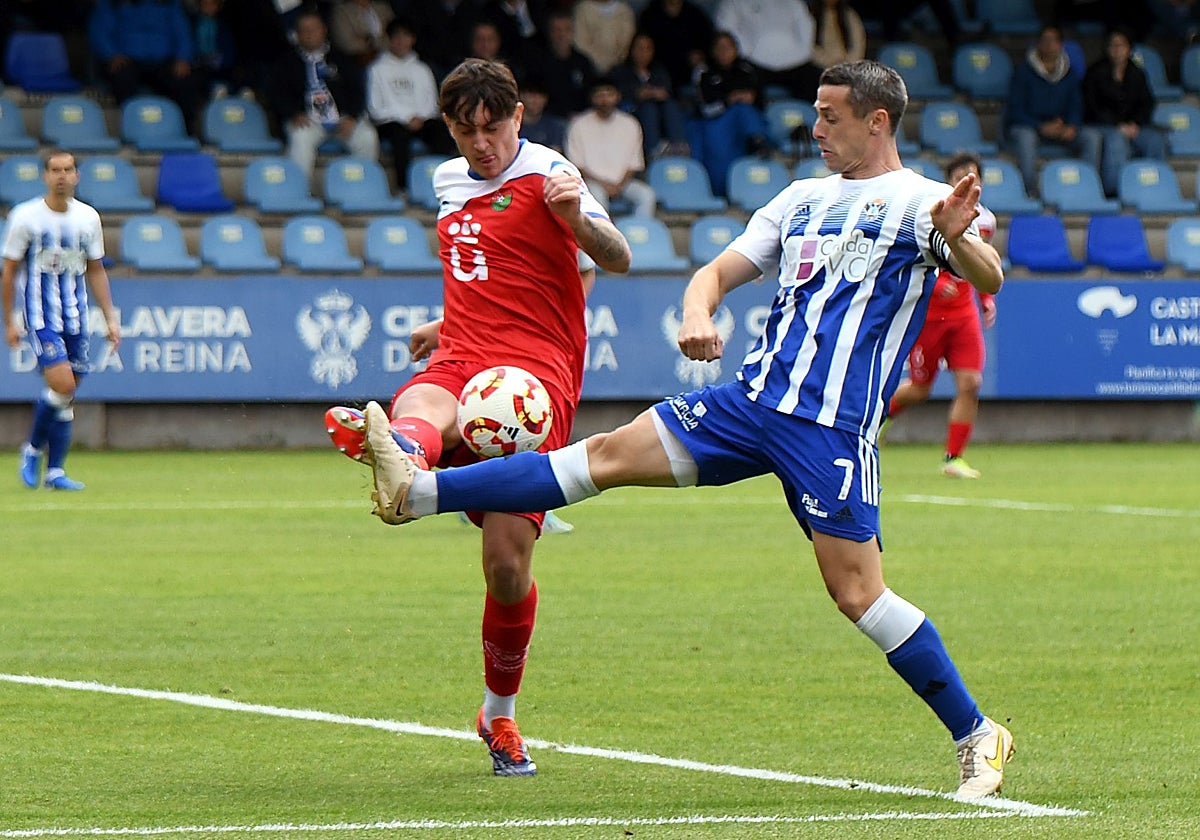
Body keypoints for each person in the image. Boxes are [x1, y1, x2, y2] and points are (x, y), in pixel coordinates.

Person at [357, 59, 1016, 799]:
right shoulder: (799, 200)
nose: (816, 127)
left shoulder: (922, 202)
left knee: (859, 595)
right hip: (747, 405)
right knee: (600, 457)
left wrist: (958, 240)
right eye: (816, 113)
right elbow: (716, 272)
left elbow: (987, 274)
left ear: (877, 122)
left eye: (831, 115)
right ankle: (416, 492)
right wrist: (698, 310)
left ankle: (977, 733)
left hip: (828, 430)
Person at [324, 57, 632, 777]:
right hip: (467, 350)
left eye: (493, 129)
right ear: (450, 129)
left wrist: (573, 216)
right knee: (429, 401)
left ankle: (499, 715)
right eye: (466, 132)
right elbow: (489, 267)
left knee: (503, 567)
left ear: (518, 118)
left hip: (538, 376)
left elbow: (616, 258)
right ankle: (399, 450)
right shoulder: (445, 180)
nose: (481, 145)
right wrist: (447, 318)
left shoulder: (551, 171)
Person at [2, 152, 121, 492]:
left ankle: (55, 472)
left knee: (64, 394)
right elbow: (8, 272)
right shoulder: (25, 217)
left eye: (68, 170)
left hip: (77, 316)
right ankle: (32, 450)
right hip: (41, 317)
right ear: (45, 176)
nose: (62, 176)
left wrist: (110, 317)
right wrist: (10, 321)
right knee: (64, 385)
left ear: (77, 176)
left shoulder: (88, 218)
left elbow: (96, 269)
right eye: (55, 170)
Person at [885, 152, 998, 480]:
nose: (969, 180)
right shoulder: (925, 213)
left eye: (975, 174)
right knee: (920, 390)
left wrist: (986, 296)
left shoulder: (984, 221)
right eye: (962, 174)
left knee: (971, 383)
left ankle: (954, 458)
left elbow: (981, 261)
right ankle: (876, 420)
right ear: (949, 180)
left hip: (964, 315)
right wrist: (936, 288)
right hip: (930, 316)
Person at [267, 10, 380, 181]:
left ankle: (362, 189)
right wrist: (293, 113)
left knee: (367, 137)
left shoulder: (341, 58)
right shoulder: (285, 62)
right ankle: (298, 194)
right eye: (304, 30)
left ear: (324, 31)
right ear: (296, 34)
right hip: (308, 120)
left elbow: (357, 91)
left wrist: (352, 116)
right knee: (300, 138)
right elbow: (276, 94)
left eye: (313, 29)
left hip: (342, 119)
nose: (309, 34)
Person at [1004, 23, 1101, 195]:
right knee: (1025, 138)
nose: (1050, 45)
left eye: (1054, 40)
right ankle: (1030, 191)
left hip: (1060, 128)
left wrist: (1071, 125)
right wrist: (1040, 126)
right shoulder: (1023, 72)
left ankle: (1088, 188)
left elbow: (1076, 105)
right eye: (1046, 40)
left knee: (1091, 137)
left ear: (1061, 45)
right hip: (1031, 127)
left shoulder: (1069, 74)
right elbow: (1015, 110)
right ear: (1038, 44)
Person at [367, 16, 457, 192]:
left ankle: (442, 183)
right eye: (396, 36)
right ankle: (405, 188)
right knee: (399, 136)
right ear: (389, 39)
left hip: (421, 120)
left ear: (413, 39)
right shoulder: (377, 69)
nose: (401, 41)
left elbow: (432, 102)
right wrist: (405, 118)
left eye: (405, 36)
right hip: (390, 121)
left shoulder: (422, 69)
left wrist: (419, 118)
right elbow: (375, 107)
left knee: (440, 132)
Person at [87, 0, 203, 135]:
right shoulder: (114, 4)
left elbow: (182, 33)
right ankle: (130, 131)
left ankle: (186, 133)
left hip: (163, 62)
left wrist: (183, 58)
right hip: (127, 61)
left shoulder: (169, 4)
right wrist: (111, 55)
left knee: (186, 83)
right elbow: (99, 31)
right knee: (123, 79)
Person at [1082, 27, 1166, 197]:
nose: (1117, 50)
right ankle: (1116, 190)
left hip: (1133, 125)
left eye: (1121, 46)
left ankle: (1155, 187)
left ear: (1129, 49)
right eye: (1113, 45)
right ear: (1107, 48)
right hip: (1104, 125)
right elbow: (1092, 107)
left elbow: (1146, 103)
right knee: (1116, 140)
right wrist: (1117, 125)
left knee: (1154, 140)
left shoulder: (1137, 73)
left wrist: (1135, 124)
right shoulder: (1095, 72)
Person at [687, 31, 772, 198]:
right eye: (720, 48)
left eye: (728, 48)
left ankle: (758, 141)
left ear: (735, 50)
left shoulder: (746, 70)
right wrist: (729, 101)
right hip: (716, 123)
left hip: (742, 125)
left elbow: (760, 102)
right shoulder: (704, 72)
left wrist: (746, 99)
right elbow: (705, 109)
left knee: (744, 109)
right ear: (712, 51)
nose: (724, 52)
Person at [566, 77, 658, 216]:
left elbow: (634, 164)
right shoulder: (578, 124)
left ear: (618, 97)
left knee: (646, 195)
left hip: (623, 183)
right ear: (592, 98)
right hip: (591, 183)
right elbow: (577, 166)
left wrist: (619, 186)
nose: (605, 100)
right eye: (600, 95)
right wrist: (604, 185)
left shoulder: (630, 124)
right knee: (597, 196)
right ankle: (603, 237)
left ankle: (638, 236)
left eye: (609, 94)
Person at [714, 0, 823, 101]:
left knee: (817, 85)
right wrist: (747, 51)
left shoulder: (794, 2)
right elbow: (726, 28)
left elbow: (806, 26)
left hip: (796, 62)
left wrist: (803, 53)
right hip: (754, 63)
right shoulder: (733, 3)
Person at [610, 31, 690, 158]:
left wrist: (655, 94)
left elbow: (666, 92)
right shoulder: (621, 71)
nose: (643, 53)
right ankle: (653, 150)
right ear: (631, 50)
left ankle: (679, 146)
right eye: (640, 48)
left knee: (670, 105)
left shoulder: (659, 70)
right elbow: (620, 94)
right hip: (632, 111)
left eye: (648, 48)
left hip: (660, 112)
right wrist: (640, 94)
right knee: (648, 108)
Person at [636, 0, 715, 95]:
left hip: (690, 80)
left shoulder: (696, 16)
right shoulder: (648, 16)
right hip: (655, 79)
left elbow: (710, 46)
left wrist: (700, 56)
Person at [572, 0, 637, 75]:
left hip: (622, 68)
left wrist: (619, 63)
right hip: (591, 69)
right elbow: (580, 43)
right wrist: (599, 64)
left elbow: (629, 41)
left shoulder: (625, 11)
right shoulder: (582, 10)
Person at [330, 0, 395, 67]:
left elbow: (396, 33)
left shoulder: (383, 7)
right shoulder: (341, 11)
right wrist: (382, 42)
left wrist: (367, 39)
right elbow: (347, 42)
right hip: (360, 59)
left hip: (392, 53)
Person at [810, 0, 867, 72]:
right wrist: (829, 62)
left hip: (848, 67)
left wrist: (847, 63)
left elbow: (859, 42)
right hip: (820, 68)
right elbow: (809, 46)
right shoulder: (811, 16)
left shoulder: (849, 15)